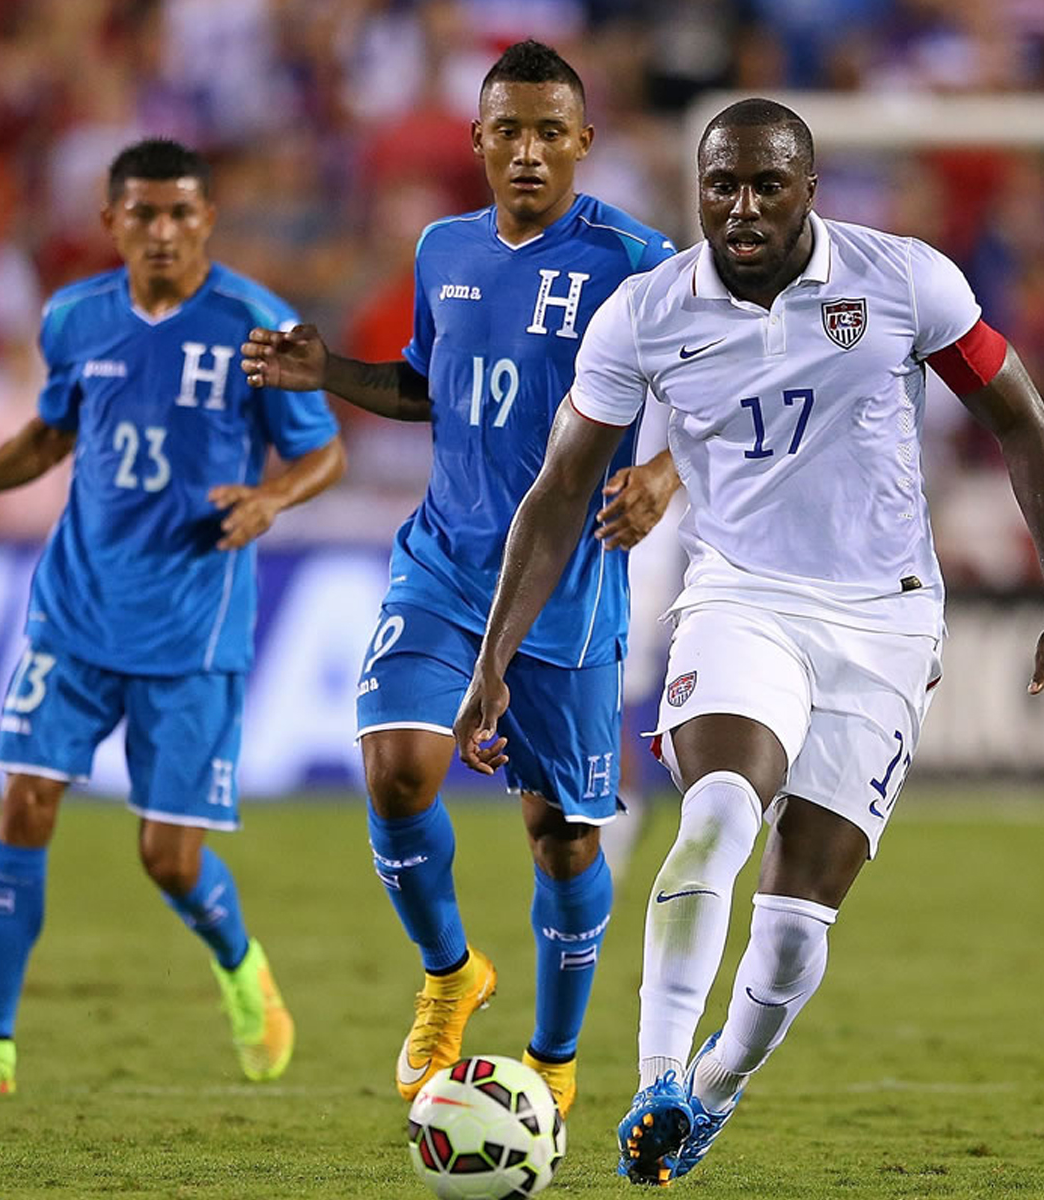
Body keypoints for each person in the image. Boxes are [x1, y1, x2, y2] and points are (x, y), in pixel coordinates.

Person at [453, 98, 1044, 1184]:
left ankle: (713, 1088)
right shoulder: (647, 311)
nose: (742, 207)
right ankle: (658, 1071)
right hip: (741, 597)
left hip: (886, 618)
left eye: (766, 185)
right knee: (714, 810)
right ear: (699, 188)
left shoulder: (902, 280)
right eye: (722, 186)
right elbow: (561, 486)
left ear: (809, 186)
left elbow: (1021, 423)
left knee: (798, 924)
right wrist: (490, 666)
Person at [241, 40, 674, 1115]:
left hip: (568, 582)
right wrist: (328, 371)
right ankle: (450, 974)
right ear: (477, 141)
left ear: (585, 140)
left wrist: (663, 473)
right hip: (443, 561)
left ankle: (558, 1057)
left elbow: (722, 386)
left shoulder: (636, 258)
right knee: (394, 770)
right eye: (506, 131)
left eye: (548, 131)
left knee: (561, 832)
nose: (527, 151)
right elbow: (430, 388)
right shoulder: (442, 249)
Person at [0, 138, 345, 1099]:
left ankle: (241, 967)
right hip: (76, 608)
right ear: (112, 223)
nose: (164, 231)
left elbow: (323, 454)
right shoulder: (75, 318)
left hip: (190, 622)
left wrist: (272, 500)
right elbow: (53, 433)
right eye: (143, 213)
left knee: (168, 858)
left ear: (208, 221)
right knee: (25, 804)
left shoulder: (255, 324)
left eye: (183, 213)